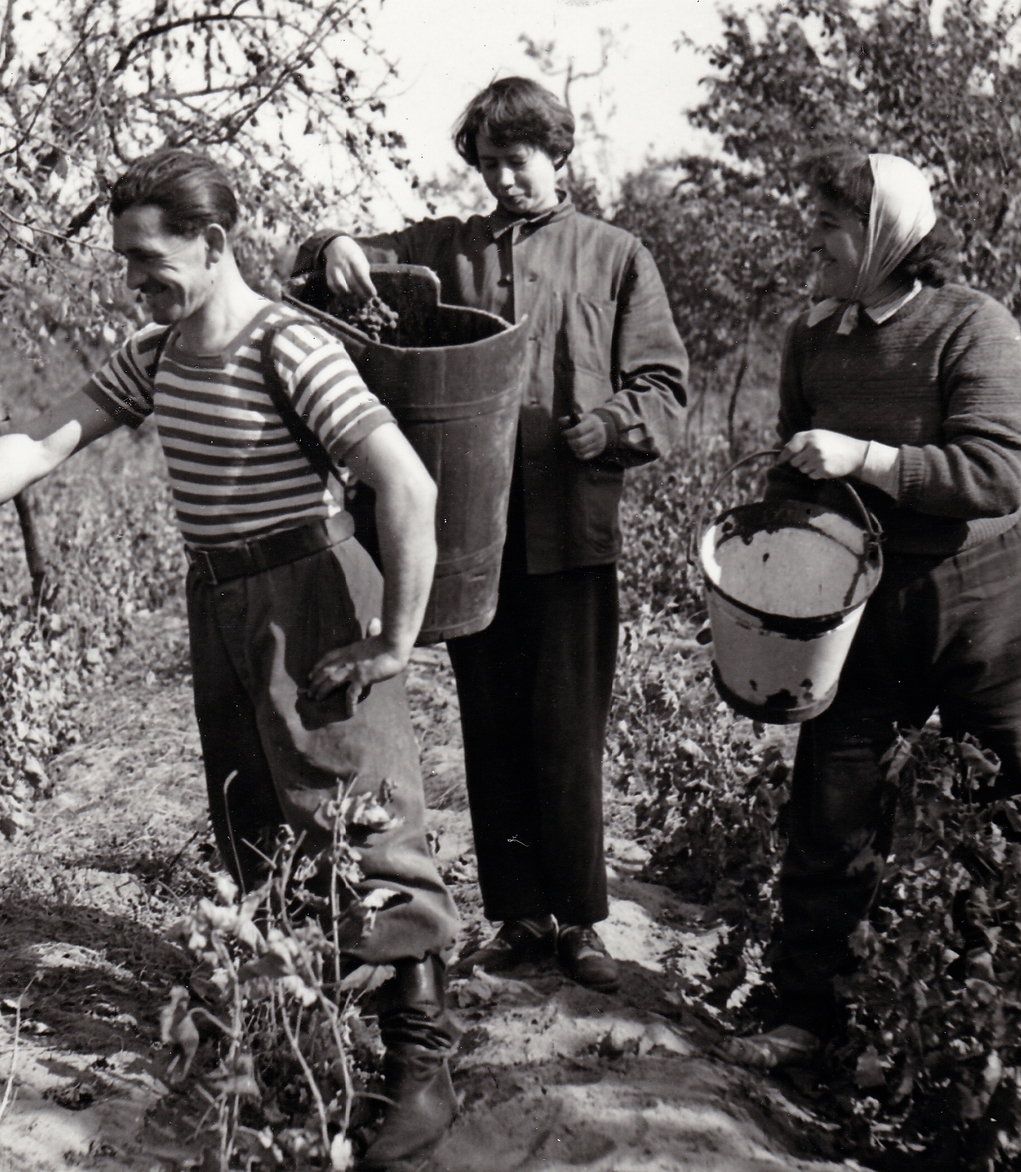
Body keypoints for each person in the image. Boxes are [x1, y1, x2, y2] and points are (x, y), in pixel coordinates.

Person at [0, 149, 462, 1165]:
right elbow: (39, 443)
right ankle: (295, 1037)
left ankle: (419, 1059)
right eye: (124, 260)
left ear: (215, 242)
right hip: (219, 594)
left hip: (309, 586)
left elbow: (408, 486)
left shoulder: (285, 344)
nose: (133, 278)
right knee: (258, 816)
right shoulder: (159, 353)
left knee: (359, 811)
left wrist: (393, 640)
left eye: (147, 257)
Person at [293, 77, 690, 993]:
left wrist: (613, 425)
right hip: (471, 542)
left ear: (561, 156)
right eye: (490, 162)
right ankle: (517, 917)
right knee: (494, 728)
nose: (506, 178)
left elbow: (666, 389)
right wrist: (339, 246)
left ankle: (583, 925)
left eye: (522, 159)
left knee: (568, 730)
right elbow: (324, 263)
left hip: (571, 535)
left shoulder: (617, 258)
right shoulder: (445, 249)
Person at [719, 150, 1021, 1069]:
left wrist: (862, 457)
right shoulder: (813, 336)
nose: (811, 241)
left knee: (999, 809)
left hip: (986, 597)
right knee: (836, 797)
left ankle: (977, 1039)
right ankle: (811, 1019)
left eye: (828, 225)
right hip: (866, 594)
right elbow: (801, 464)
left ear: (883, 236)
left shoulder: (973, 327)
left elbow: (992, 477)